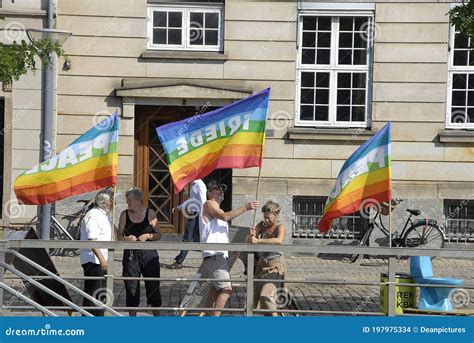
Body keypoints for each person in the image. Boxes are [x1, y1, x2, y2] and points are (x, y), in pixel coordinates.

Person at [200, 180, 259, 316]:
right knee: (226, 289)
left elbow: (218, 234)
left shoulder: (218, 210)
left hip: (218, 255)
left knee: (214, 290)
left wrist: (234, 246)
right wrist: (246, 207)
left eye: (223, 188)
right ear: (209, 193)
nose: (221, 191)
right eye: (217, 188)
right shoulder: (209, 204)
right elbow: (225, 216)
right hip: (214, 255)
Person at [118, 187, 162, 316]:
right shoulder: (124, 214)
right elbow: (119, 236)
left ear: (138, 200)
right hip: (131, 255)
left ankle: (157, 319)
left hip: (149, 254)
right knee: (131, 288)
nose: (128, 202)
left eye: (130, 200)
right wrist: (126, 238)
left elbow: (159, 234)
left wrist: (148, 236)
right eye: (127, 200)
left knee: (153, 287)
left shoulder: (150, 213)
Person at [246, 201, 287, 316]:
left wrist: (258, 240)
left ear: (275, 215)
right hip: (261, 267)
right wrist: (251, 235)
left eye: (268, 217)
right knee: (262, 300)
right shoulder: (261, 225)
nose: (266, 220)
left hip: (275, 266)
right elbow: (248, 241)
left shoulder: (280, 227)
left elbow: (278, 241)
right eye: (264, 217)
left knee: (266, 295)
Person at [79, 189, 113, 316]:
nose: (113, 204)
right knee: (94, 293)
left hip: (101, 260)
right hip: (93, 260)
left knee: (99, 293)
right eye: (111, 201)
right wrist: (102, 260)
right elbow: (92, 240)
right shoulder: (93, 214)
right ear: (104, 203)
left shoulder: (103, 215)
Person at [168, 179, 207, 269]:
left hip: (197, 215)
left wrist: (203, 217)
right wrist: (179, 207)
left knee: (188, 238)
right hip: (195, 214)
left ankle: (179, 262)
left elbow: (203, 201)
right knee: (191, 237)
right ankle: (179, 259)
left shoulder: (199, 184)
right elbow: (191, 200)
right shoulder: (194, 184)